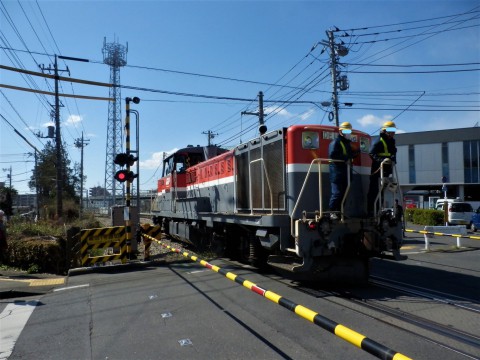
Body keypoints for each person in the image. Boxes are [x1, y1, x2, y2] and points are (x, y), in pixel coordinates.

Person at [367, 120, 398, 216]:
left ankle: (380, 209)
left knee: (383, 190)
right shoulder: (378, 140)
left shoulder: (392, 141)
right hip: (378, 169)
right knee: (374, 190)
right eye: (391, 130)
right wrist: (381, 161)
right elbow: (371, 153)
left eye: (394, 130)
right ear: (385, 131)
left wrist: (393, 159)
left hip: (387, 170)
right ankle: (372, 211)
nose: (393, 133)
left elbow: (393, 153)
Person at [328, 122, 355, 220]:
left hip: (345, 173)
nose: (348, 133)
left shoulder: (347, 143)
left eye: (349, 131)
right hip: (337, 173)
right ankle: (332, 212)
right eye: (346, 131)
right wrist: (346, 158)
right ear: (340, 131)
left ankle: (340, 213)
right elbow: (333, 155)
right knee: (337, 193)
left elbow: (349, 154)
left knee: (344, 194)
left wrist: (354, 154)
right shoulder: (335, 142)